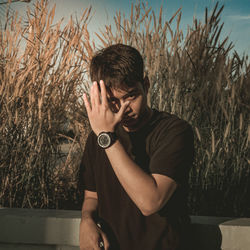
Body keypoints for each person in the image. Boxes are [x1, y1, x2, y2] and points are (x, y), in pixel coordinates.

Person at [79, 44, 194, 250]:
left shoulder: (175, 131)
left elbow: (150, 202)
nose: (124, 109)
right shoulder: (97, 137)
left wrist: (108, 138)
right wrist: (87, 220)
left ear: (146, 85)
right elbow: (92, 195)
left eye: (131, 96)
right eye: (113, 101)